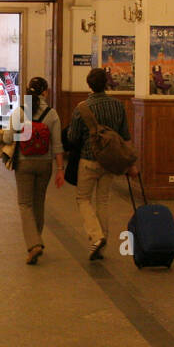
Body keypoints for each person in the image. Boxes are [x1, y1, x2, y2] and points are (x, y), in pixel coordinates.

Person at [65, 67, 137, 260]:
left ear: (89, 84)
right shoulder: (118, 106)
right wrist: (130, 163)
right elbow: (126, 137)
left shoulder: (82, 108)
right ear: (106, 83)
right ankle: (102, 244)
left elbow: (72, 137)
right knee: (103, 200)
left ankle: (96, 237)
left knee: (83, 198)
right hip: (110, 162)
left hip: (88, 160)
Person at [1, 77, 64, 264]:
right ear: (45, 92)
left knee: (25, 204)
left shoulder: (20, 112)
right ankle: (36, 240)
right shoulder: (52, 114)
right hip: (45, 165)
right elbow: (58, 145)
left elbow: (7, 136)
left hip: (24, 163)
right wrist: (60, 168)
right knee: (38, 203)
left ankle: (34, 243)